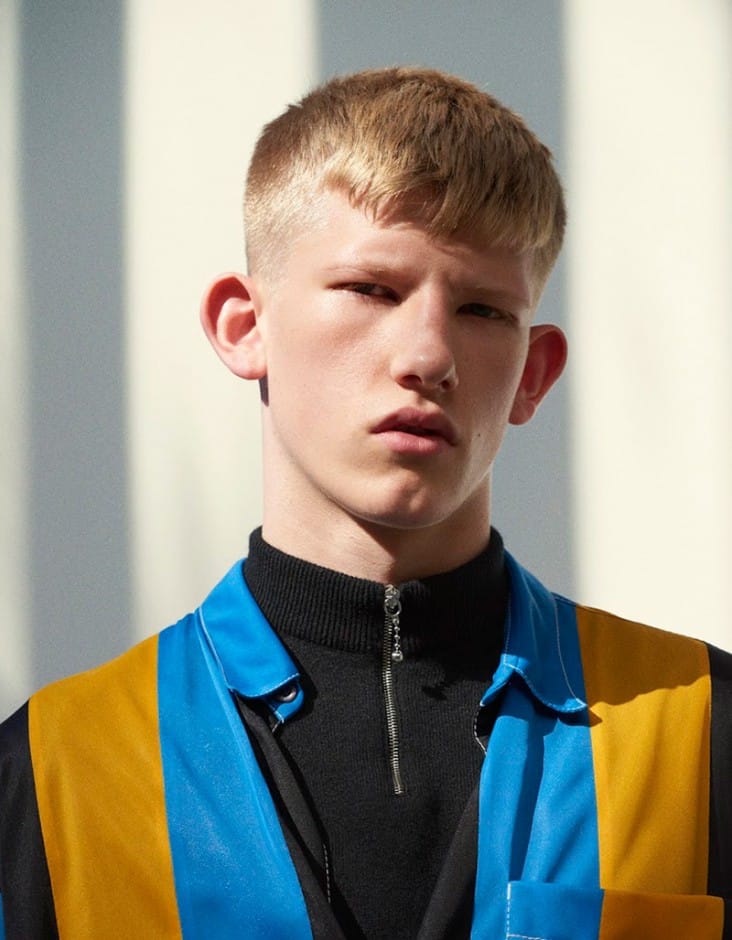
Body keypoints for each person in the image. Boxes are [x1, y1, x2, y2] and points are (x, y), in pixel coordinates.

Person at [0, 66, 730, 940]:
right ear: (244, 326)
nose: (428, 355)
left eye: (483, 310)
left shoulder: (703, 731)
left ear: (533, 375)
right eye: (372, 290)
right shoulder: (52, 768)